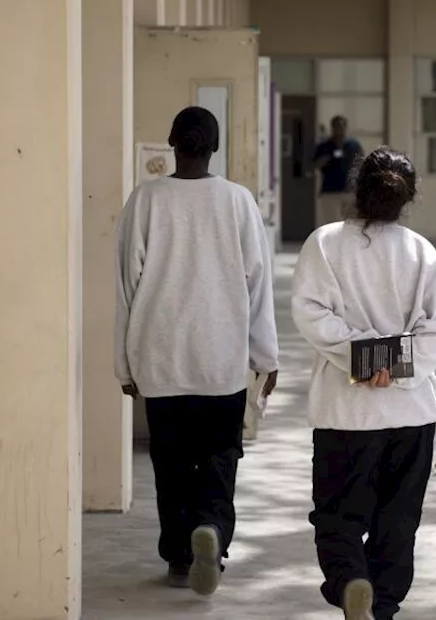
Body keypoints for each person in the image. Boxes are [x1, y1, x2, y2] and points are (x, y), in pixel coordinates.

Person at [115, 106, 280, 596]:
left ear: (172, 143)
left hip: (160, 359)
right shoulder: (238, 201)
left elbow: (127, 286)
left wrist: (123, 364)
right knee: (218, 458)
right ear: (214, 146)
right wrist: (265, 357)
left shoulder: (145, 199)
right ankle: (211, 531)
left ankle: (179, 556)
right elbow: (258, 284)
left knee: (169, 464)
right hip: (220, 361)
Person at [292, 147, 436, 620]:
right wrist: (398, 364)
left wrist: (362, 357)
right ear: (407, 198)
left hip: (345, 413)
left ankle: (351, 581)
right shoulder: (420, 251)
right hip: (410, 414)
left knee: (337, 516)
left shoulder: (324, 243)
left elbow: (311, 313)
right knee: (398, 521)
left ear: (356, 188)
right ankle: (381, 606)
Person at [313, 115, 364, 227]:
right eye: (336, 127)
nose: (339, 130)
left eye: (342, 127)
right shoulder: (325, 146)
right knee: (332, 225)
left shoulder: (353, 145)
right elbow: (316, 164)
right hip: (330, 191)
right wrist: (328, 157)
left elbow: (361, 163)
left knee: (352, 224)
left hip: (350, 191)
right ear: (332, 128)